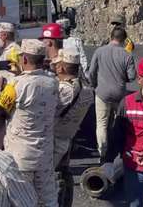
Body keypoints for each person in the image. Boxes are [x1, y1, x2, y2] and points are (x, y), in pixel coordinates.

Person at [0, 39, 60, 206]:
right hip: (44, 153)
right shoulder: (53, 82)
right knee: (48, 199)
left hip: (20, 156)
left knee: (21, 200)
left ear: (23, 59)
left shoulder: (16, 85)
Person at [104, 56, 143, 207]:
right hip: (134, 167)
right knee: (134, 204)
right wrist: (108, 160)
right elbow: (117, 135)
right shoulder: (127, 103)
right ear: (140, 79)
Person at [51, 49, 94, 206]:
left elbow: (48, 112)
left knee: (51, 180)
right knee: (64, 173)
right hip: (68, 136)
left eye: (57, 65)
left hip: (53, 139)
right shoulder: (87, 90)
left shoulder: (63, 90)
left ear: (61, 68)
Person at [88, 27, 136, 157]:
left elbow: (91, 72)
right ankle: (119, 151)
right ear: (124, 40)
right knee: (120, 122)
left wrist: (94, 85)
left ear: (111, 37)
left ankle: (102, 153)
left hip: (102, 93)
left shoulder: (99, 51)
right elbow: (132, 77)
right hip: (119, 94)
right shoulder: (127, 55)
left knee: (101, 123)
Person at [0, 22, 21, 99]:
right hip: (1, 90)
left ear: (5, 35)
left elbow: (17, 70)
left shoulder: (14, 50)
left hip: (8, 91)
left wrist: (0, 65)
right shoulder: (4, 50)